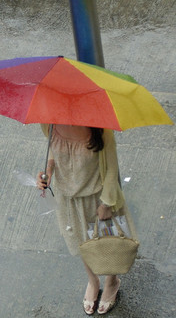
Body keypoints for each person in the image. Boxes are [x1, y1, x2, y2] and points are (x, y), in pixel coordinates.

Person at [37, 124, 136, 315]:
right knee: (81, 241)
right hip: (68, 199)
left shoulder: (100, 128)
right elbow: (52, 154)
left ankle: (112, 281)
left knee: (108, 242)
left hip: (97, 198)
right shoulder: (49, 123)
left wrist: (107, 203)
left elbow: (112, 169)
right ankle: (92, 281)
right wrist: (48, 171)